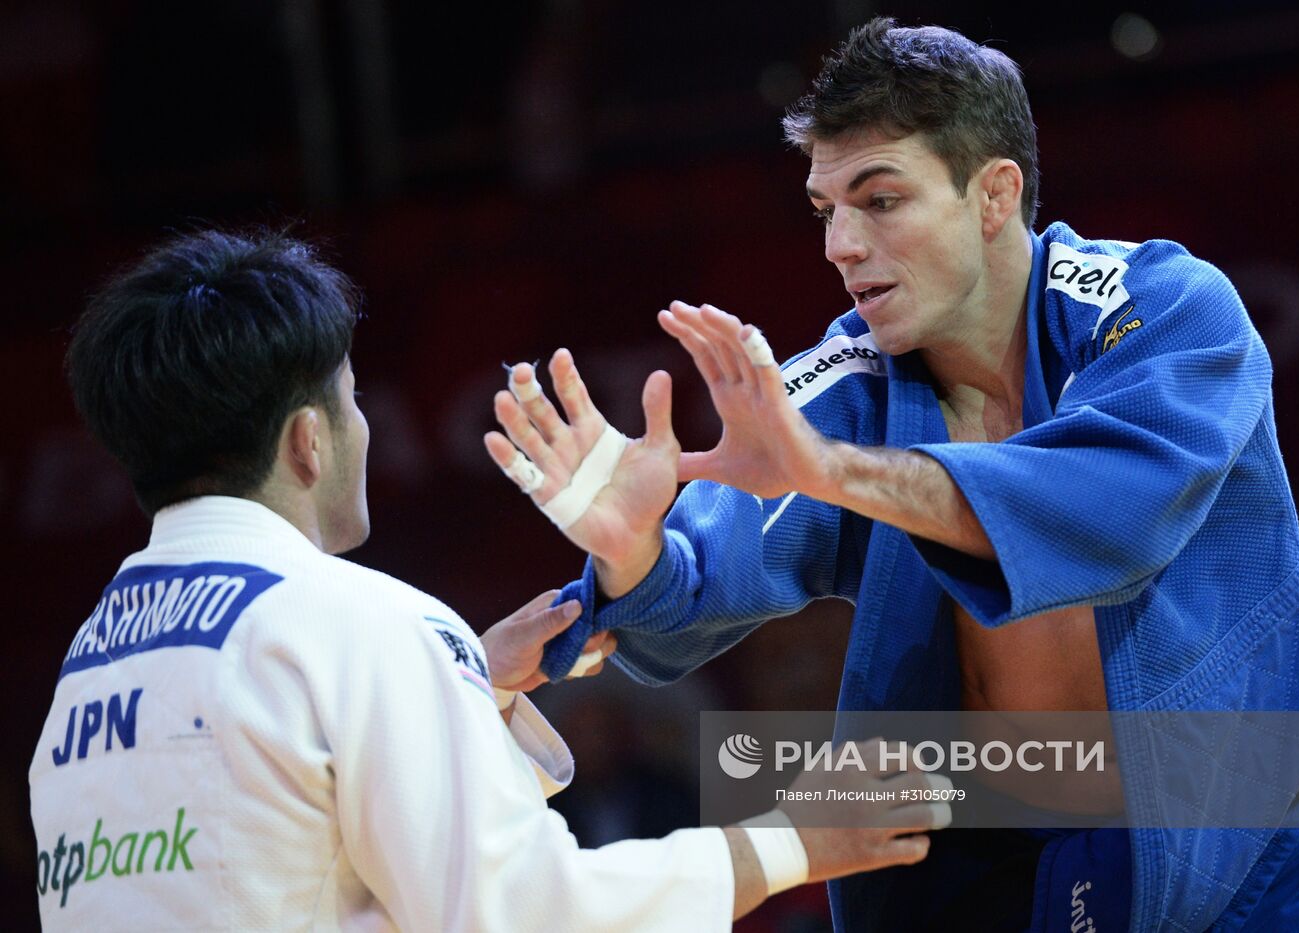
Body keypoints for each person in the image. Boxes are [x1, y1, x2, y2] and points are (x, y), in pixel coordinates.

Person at [485, 17, 1299, 932]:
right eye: (825, 210)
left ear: (994, 195)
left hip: (1260, 859)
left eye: (879, 200)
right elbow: (699, 582)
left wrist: (837, 473)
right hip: (1009, 868)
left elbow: (1108, 515)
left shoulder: (1163, 309)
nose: (841, 244)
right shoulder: (846, 388)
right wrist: (633, 553)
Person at [29, 228, 949, 931]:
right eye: (350, 402)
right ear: (308, 440)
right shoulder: (359, 622)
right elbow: (522, 911)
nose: (364, 430)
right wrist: (797, 840)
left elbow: (277, 841)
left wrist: (462, 678)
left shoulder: (91, 665)